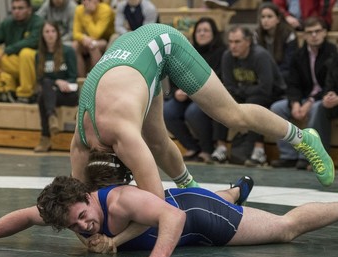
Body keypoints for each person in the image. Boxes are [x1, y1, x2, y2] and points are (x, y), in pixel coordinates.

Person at [70, 23, 334, 209]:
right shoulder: (81, 143)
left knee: (232, 115)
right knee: (158, 141)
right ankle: (191, 187)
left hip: (162, 45)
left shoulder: (125, 137)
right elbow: (78, 195)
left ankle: (303, 138)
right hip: (130, 58)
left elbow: (156, 206)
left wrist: (113, 238)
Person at [0, 175, 338, 257]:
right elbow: (25, 217)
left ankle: (230, 199)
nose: (85, 227)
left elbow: (172, 216)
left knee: (287, 228)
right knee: (205, 198)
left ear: (87, 196)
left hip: (200, 218)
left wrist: (159, 256)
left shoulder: (120, 200)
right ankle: (236, 191)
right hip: (179, 201)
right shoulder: (67, 211)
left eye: (84, 217)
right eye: (75, 227)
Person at [270, 17, 337, 170]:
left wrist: (310, 101)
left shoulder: (332, 52)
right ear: (304, 35)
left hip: (323, 98)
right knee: (277, 108)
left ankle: (310, 157)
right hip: (302, 98)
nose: (314, 35)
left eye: (317, 31)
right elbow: (292, 84)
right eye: (309, 32)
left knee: (316, 108)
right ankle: (288, 156)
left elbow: (329, 84)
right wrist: (294, 103)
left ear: (325, 32)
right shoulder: (298, 55)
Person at [215, 25, 286, 167]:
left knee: (255, 102)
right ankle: (221, 148)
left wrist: (242, 90)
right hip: (246, 94)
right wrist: (243, 91)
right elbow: (229, 86)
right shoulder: (227, 56)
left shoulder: (260, 56)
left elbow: (266, 88)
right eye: (230, 42)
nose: (233, 46)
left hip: (273, 95)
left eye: (237, 42)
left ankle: (258, 150)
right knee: (219, 102)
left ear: (248, 41)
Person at [164, 17, 226, 164]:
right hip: (186, 95)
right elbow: (175, 75)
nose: (202, 34)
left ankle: (207, 149)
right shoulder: (188, 51)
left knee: (194, 112)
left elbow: (220, 80)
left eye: (206, 30)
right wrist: (176, 92)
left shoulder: (222, 53)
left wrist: (194, 91)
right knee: (167, 111)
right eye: (199, 31)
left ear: (214, 34)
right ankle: (191, 147)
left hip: (208, 96)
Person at [0, 0, 44, 103]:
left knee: (26, 53)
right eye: (14, 8)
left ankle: (26, 94)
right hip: (15, 63)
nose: (16, 11)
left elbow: (31, 41)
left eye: (20, 8)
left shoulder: (38, 22)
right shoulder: (8, 23)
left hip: (35, 65)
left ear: (29, 10)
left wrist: (6, 51)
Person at [33, 21, 79, 153]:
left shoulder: (68, 51)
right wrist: (56, 82)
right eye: (47, 32)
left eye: (53, 31)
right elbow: (40, 79)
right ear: (42, 35)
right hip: (50, 94)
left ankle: (45, 138)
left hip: (67, 94)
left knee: (44, 95)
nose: (50, 35)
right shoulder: (39, 55)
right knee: (45, 88)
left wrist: (61, 83)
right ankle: (51, 116)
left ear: (58, 34)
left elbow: (73, 76)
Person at [254, 2, 298, 81]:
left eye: (269, 17)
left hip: (283, 74)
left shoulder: (289, 35)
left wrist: (271, 75)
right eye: (263, 17)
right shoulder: (257, 35)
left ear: (278, 19)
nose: (265, 20)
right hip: (263, 74)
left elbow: (289, 63)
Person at [72, 0, 115, 77]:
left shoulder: (105, 10)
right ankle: (81, 80)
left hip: (105, 40)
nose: (86, 3)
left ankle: (96, 78)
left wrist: (87, 15)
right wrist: (83, 38)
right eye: (84, 0)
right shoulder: (79, 9)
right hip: (87, 39)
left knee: (92, 45)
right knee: (74, 46)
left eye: (89, 0)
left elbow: (96, 34)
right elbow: (75, 33)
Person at [272, 0, 337, 31]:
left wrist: (314, 21)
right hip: (290, 22)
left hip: (316, 21)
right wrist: (286, 16)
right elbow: (277, 5)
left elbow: (325, 6)